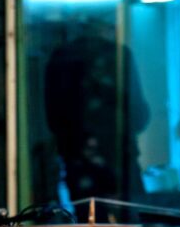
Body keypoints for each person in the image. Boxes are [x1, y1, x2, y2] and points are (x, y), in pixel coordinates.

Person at [43, 29, 150, 206]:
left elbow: (54, 122)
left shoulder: (62, 59)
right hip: (114, 165)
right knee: (132, 224)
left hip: (81, 167)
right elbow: (139, 116)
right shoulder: (118, 56)